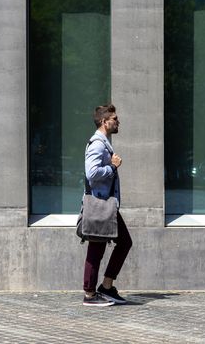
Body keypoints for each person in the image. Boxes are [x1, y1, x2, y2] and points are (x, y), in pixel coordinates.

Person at [82, 104, 133, 307]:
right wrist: (112, 166)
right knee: (100, 247)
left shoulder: (103, 143)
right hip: (100, 204)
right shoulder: (97, 144)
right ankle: (91, 293)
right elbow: (92, 173)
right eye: (114, 118)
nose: (117, 121)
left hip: (105, 204)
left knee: (107, 245)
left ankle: (105, 287)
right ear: (104, 122)